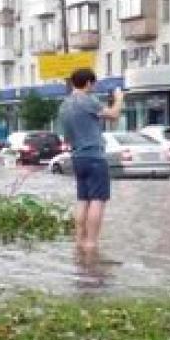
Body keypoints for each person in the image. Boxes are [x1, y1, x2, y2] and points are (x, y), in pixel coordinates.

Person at [58, 68, 124, 252]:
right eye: (93, 84)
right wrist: (119, 99)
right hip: (94, 156)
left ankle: (79, 241)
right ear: (88, 83)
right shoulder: (86, 100)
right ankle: (91, 243)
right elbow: (114, 115)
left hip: (77, 156)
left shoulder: (64, 104)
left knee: (82, 199)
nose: (93, 87)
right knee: (98, 199)